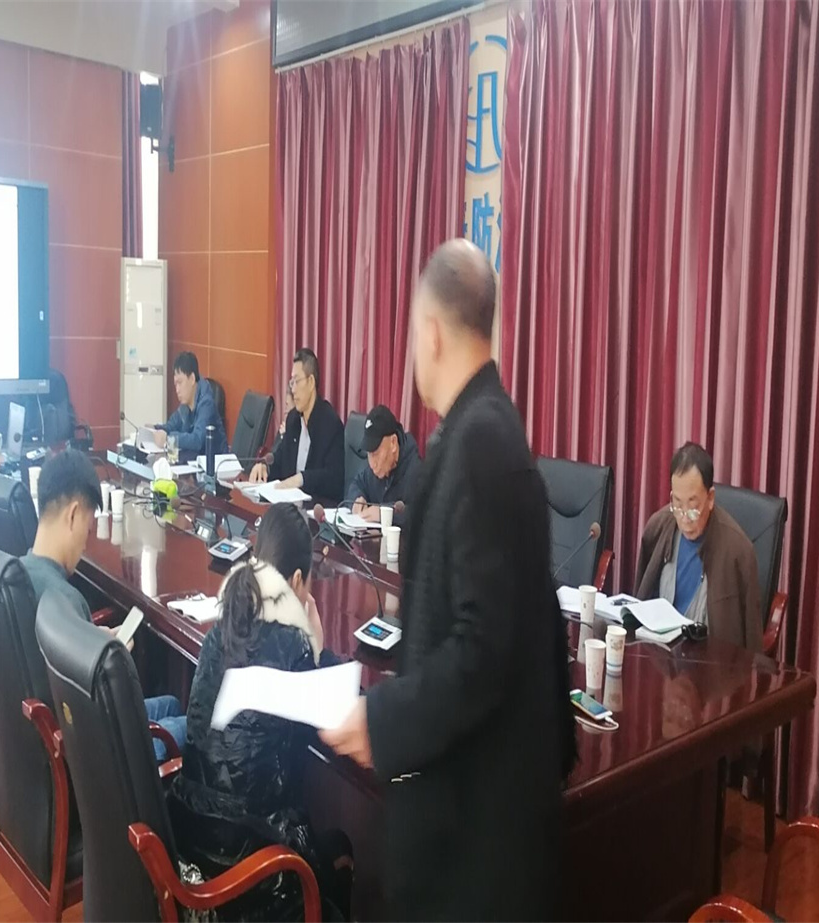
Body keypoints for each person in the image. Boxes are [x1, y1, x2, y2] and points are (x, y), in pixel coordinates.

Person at [320, 240, 571, 919]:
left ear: (430, 332)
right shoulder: (479, 429)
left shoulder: (481, 444)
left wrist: (382, 717)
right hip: (470, 820)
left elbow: (484, 648)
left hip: (477, 841)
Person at [0, 448, 187, 816]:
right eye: (88, 529)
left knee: (169, 704)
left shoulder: (15, 577)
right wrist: (112, 658)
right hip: (82, 765)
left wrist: (92, 639)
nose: (86, 543)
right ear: (74, 514)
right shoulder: (64, 599)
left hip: (25, 765)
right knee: (190, 730)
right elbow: (96, 707)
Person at [167, 503, 352, 919]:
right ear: (298, 581)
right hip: (255, 876)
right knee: (339, 853)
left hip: (195, 853)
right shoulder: (293, 647)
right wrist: (317, 649)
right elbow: (333, 717)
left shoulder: (222, 627)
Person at [633, 441, 762, 650]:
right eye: (677, 505)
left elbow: (752, 641)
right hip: (660, 656)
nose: (685, 519)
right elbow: (641, 602)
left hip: (711, 662)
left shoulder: (738, 551)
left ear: (710, 498)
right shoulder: (658, 528)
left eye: (693, 509)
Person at [249, 348, 344, 502]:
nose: (293, 390)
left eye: (297, 382)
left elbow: (334, 479)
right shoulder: (293, 419)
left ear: (311, 382)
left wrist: (302, 479)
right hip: (289, 505)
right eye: (291, 382)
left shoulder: (330, 423)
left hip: (315, 508)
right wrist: (265, 467)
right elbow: (280, 459)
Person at [343, 404, 421, 526]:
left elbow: (419, 516)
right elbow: (357, 483)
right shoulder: (375, 469)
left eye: (376, 453)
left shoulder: (415, 471)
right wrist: (357, 499)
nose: (372, 463)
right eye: (369, 454)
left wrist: (384, 514)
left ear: (393, 443)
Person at [153, 352, 228, 454]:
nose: (177, 390)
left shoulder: (207, 404)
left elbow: (197, 440)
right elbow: (172, 425)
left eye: (180, 383)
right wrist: (154, 429)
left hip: (213, 461)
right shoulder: (186, 404)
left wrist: (168, 438)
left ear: (192, 379)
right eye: (175, 385)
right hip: (193, 459)